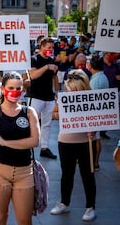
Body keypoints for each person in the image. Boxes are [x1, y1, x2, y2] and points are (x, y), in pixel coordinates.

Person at [0, 71, 40, 225]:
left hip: (24, 172)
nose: (14, 92)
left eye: (18, 88)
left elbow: (35, 141)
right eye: (10, 88)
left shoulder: (29, 112)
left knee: (24, 220)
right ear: (2, 89)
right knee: (0, 217)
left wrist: (6, 143)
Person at [49, 69, 97, 222]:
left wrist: (94, 129)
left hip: (86, 141)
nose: (71, 92)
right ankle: (64, 202)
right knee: (67, 174)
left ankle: (90, 207)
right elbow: (53, 114)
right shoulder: (63, 99)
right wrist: (61, 115)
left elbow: (100, 118)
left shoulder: (92, 99)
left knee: (87, 174)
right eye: (69, 89)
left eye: (75, 89)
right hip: (66, 141)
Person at [27, 37, 59, 159]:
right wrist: (46, 67)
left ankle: (44, 148)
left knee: (47, 123)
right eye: (49, 47)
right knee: (32, 122)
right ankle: (28, 148)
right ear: (42, 47)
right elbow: (33, 75)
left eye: (52, 48)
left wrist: (56, 91)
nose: (51, 50)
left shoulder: (52, 60)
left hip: (49, 97)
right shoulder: (34, 59)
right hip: (36, 96)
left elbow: (54, 78)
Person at [88, 56, 109, 171]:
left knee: (95, 137)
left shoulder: (96, 80)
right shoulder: (102, 77)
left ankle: (95, 162)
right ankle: (95, 162)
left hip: (95, 112)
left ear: (91, 66)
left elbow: (93, 98)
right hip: (99, 111)